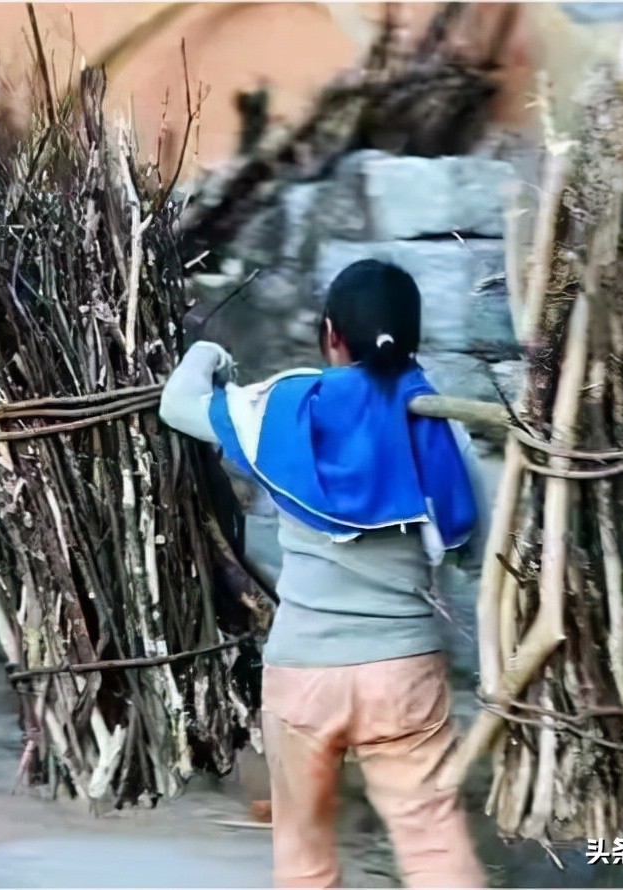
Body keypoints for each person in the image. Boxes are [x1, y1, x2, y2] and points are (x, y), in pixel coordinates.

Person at [159, 259, 489, 888]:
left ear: (332, 334)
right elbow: (473, 547)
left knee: (304, 860)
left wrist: (206, 353)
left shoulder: (286, 408)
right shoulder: (438, 422)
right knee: (434, 848)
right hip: (404, 673)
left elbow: (178, 404)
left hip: (303, 673)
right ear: (412, 336)